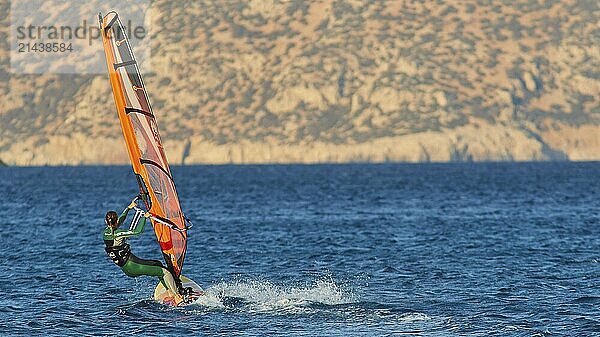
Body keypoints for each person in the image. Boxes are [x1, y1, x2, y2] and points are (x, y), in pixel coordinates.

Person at [102, 197, 191, 305]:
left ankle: (170, 290)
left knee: (157, 264)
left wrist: (128, 209)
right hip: (132, 265)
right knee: (165, 272)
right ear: (115, 222)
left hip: (126, 267)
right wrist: (145, 217)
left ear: (106, 222)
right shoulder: (118, 233)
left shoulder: (106, 232)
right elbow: (137, 232)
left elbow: (118, 222)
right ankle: (177, 297)